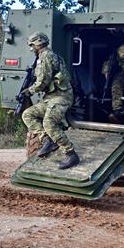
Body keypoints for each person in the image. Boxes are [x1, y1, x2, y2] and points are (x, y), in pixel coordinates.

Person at [21, 32, 80, 169]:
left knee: (49, 122)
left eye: (32, 45)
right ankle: (48, 140)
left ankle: (71, 154)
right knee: (27, 114)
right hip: (50, 98)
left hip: (61, 97)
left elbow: (43, 81)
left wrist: (29, 91)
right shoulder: (43, 56)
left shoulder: (46, 56)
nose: (31, 49)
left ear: (38, 43)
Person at [102, 43, 124, 123]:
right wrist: (106, 70)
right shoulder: (117, 51)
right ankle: (117, 111)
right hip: (122, 74)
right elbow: (109, 61)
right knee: (116, 85)